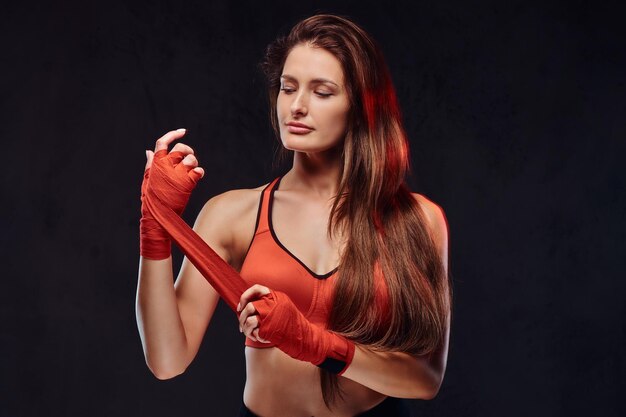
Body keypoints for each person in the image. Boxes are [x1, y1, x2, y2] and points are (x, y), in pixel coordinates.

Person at [136, 14, 451, 417]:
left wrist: (313, 343)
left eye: (322, 92)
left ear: (360, 106)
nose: (297, 106)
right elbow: (167, 361)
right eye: (288, 88)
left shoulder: (419, 221)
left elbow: (425, 379)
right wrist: (156, 224)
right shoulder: (232, 214)